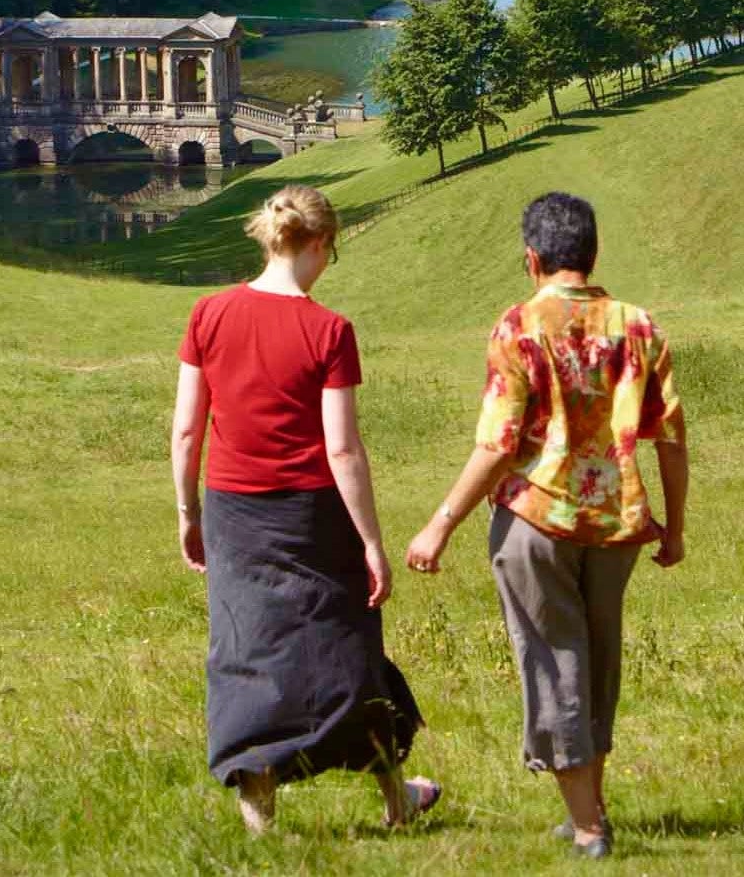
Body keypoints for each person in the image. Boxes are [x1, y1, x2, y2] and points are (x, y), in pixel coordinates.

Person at [404, 192, 687, 861]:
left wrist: (439, 524)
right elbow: (670, 437)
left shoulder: (519, 326)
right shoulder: (638, 326)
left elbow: (500, 444)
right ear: (591, 254)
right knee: (595, 661)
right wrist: (674, 526)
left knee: (555, 663)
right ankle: (588, 805)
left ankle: (589, 829)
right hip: (615, 521)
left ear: (533, 259)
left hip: (535, 521)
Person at [171, 184, 439, 835]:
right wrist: (372, 542)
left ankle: (260, 818)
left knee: (246, 651)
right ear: (318, 244)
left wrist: (188, 512)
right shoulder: (329, 329)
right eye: (332, 252)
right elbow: (342, 449)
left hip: (233, 510)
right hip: (315, 515)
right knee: (348, 654)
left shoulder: (208, 314)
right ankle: (395, 802)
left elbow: (185, 431)